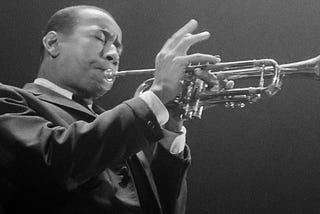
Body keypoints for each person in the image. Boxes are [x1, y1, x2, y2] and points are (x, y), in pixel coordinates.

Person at [0, 5, 221, 214]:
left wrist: (171, 122)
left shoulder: (122, 127)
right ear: (52, 43)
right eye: (100, 38)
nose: (113, 54)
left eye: (118, 46)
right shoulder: (9, 100)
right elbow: (54, 163)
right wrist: (158, 94)